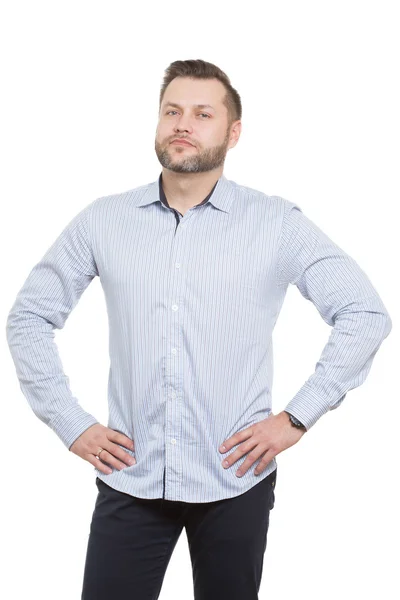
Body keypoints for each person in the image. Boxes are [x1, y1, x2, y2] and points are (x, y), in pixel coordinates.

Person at [5, 58, 392, 600]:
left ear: (232, 133)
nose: (183, 124)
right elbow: (29, 316)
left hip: (235, 480)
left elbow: (364, 313)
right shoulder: (104, 220)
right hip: (131, 478)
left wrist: (297, 418)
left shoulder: (276, 223)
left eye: (202, 113)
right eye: (172, 111)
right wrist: (71, 423)